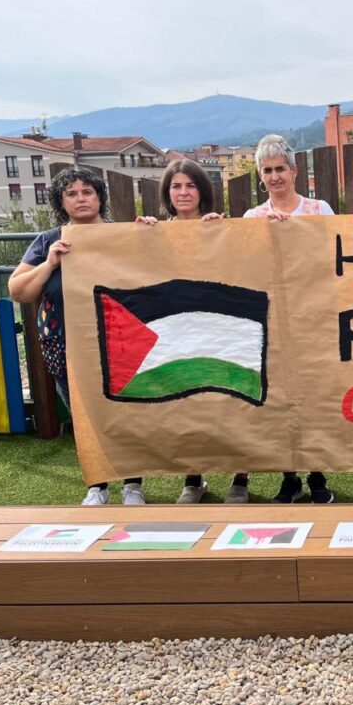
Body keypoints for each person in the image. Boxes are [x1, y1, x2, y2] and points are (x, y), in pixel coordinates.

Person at [8, 167, 145, 505]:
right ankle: (97, 486)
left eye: (87, 192)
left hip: (118, 343)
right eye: (71, 193)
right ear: (61, 202)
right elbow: (18, 290)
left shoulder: (122, 235)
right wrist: (50, 264)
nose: (80, 199)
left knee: (125, 413)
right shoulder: (48, 241)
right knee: (83, 419)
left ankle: (133, 485)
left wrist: (148, 234)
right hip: (65, 346)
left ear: (99, 198)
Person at [137, 159, 244, 504]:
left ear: (202, 190)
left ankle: (241, 476)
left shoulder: (221, 227)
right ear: (167, 193)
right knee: (187, 403)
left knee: (231, 401)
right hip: (178, 330)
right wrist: (139, 237)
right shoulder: (155, 232)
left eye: (190, 185)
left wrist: (224, 234)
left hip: (221, 326)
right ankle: (193, 478)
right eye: (176, 186)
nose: (183, 192)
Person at [244, 134, 336, 504]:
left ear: (295, 171)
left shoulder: (319, 209)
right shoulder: (252, 218)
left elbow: (333, 256)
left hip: (313, 317)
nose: (275, 176)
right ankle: (289, 476)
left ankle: (317, 474)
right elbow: (246, 266)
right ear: (260, 176)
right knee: (279, 399)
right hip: (271, 321)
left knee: (312, 398)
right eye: (267, 170)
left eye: (280, 168)